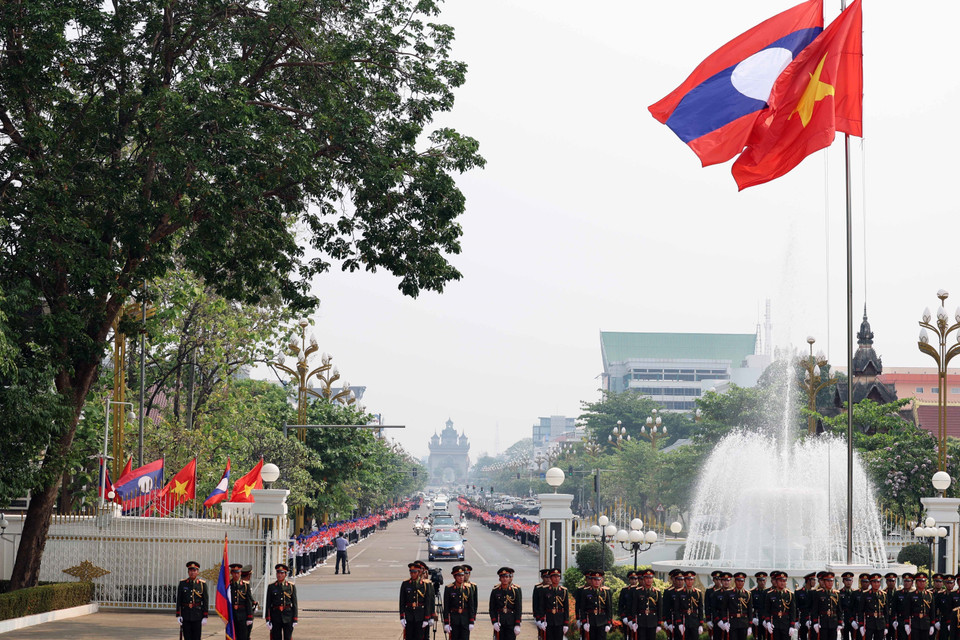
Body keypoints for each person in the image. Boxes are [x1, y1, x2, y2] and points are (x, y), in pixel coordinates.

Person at [400, 561, 435, 639]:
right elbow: (402, 601)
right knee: (409, 637)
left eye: (414, 572)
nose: (412, 574)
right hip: (409, 615)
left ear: (419, 573)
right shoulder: (406, 584)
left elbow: (428, 601)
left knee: (420, 637)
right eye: (411, 572)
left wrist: (428, 617)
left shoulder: (425, 584)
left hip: (420, 615)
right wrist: (402, 617)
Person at [176, 561, 209, 640]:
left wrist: (205, 616)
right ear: (188, 572)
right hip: (186, 614)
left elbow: (205, 601)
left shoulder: (202, 584)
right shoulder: (182, 583)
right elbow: (179, 599)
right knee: (187, 637)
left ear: (197, 572)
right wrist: (178, 614)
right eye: (191, 571)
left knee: (197, 637)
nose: (192, 573)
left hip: (197, 615)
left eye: (194, 571)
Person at [266, 563, 298, 640]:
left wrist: (295, 618)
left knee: (288, 637)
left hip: (288, 616)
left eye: (282, 573)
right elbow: (268, 604)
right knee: (276, 637)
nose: (279, 575)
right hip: (275, 616)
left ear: (285, 575)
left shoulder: (291, 586)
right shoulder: (271, 586)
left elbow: (295, 604)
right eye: (278, 573)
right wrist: (268, 619)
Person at [490, 567, 523, 640]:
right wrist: (494, 621)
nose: (505, 579)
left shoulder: (515, 591)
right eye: (502, 577)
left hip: (511, 621)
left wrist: (517, 624)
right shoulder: (495, 591)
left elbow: (518, 608)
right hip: (499, 621)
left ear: (509, 578)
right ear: (499, 579)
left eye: (506, 577)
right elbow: (492, 608)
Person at [444, 566, 476, 640]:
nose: (461, 577)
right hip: (454, 619)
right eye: (459, 576)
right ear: (454, 577)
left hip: (465, 619)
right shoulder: (449, 588)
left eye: (462, 575)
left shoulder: (468, 588)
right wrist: (446, 623)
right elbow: (446, 607)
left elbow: (471, 605)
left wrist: (471, 621)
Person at [764, 571, 797, 640]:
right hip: (774, 624)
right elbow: (767, 610)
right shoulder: (770, 594)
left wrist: (792, 625)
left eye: (784, 581)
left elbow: (793, 611)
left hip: (786, 624)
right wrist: (768, 622)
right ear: (776, 581)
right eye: (780, 581)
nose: (782, 583)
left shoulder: (790, 594)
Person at [720, 572, 753, 640]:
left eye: (742, 581)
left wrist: (750, 625)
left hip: (744, 622)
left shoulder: (748, 594)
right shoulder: (728, 593)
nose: (740, 583)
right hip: (733, 622)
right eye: (738, 581)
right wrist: (725, 622)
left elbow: (749, 610)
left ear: (744, 582)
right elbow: (723, 609)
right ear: (735, 581)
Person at [539, 568, 570, 640]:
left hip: (560, 620)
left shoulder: (564, 591)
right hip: (549, 620)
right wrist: (542, 620)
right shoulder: (545, 590)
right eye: (554, 576)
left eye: (558, 576)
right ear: (550, 578)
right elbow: (542, 606)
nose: (556, 578)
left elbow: (566, 607)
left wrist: (566, 623)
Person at [674, 571, 704, 640]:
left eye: (691, 579)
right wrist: (679, 623)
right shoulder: (679, 592)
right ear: (685, 580)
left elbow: (700, 609)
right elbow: (676, 609)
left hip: (694, 622)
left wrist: (701, 624)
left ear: (693, 580)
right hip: (684, 621)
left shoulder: (698, 593)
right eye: (688, 579)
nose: (689, 581)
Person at [810, 571, 840, 640]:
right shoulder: (818, 593)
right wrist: (815, 622)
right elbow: (815, 609)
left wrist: (840, 622)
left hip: (833, 622)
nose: (830, 583)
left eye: (831, 581)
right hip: (823, 622)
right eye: (828, 581)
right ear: (824, 582)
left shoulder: (837, 594)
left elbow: (839, 609)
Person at [229, 563, 255, 640]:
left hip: (243, 615)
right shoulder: (228, 585)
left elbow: (248, 601)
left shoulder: (245, 585)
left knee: (243, 636)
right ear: (231, 573)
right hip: (232, 614)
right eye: (234, 572)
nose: (236, 575)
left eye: (238, 572)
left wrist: (249, 617)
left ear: (240, 573)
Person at [635, 568, 663, 640]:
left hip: (652, 620)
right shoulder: (638, 591)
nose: (648, 580)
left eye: (650, 578)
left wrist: (659, 623)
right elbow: (634, 607)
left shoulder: (657, 592)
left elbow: (660, 608)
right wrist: (633, 621)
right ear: (643, 579)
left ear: (653, 579)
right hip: (641, 620)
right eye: (646, 578)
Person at [907, 573, 936, 640]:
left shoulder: (930, 595)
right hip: (915, 623)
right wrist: (906, 623)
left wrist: (932, 625)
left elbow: (932, 611)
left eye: (923, 581)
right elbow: (907, 610)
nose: (922, 583)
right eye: (920, 581)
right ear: (916, 582)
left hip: (926, 623)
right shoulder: (911, 595)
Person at [859, 573, 887, 640]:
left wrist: (886, 625)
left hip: (880, 623)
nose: (876, 584)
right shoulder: (865, 594)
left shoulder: (883, 595)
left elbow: (886, 611)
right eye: (874, 582)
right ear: (871, 583)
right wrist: (861, 625)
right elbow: (861, 610)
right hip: (869, 623)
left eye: (878, 582)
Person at [619, 570, 640, 640]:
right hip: (627, 617)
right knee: (627, 636)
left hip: (637, 618)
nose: (634, 581)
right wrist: (623, 617)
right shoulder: (624, 590)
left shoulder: (640, 590)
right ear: (629, 579)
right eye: (632, 579)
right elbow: (621, 605)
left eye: (635, 579)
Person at [752, 571, 770, 640]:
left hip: (766, 617)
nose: (762, 582)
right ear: (757, 581)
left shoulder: (769, 592)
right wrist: (753, 618)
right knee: (757, 636)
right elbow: (750, 606)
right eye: (760, 580)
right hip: (756, 617)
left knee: (767, 637)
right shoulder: (752, 592)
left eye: (764, 580)